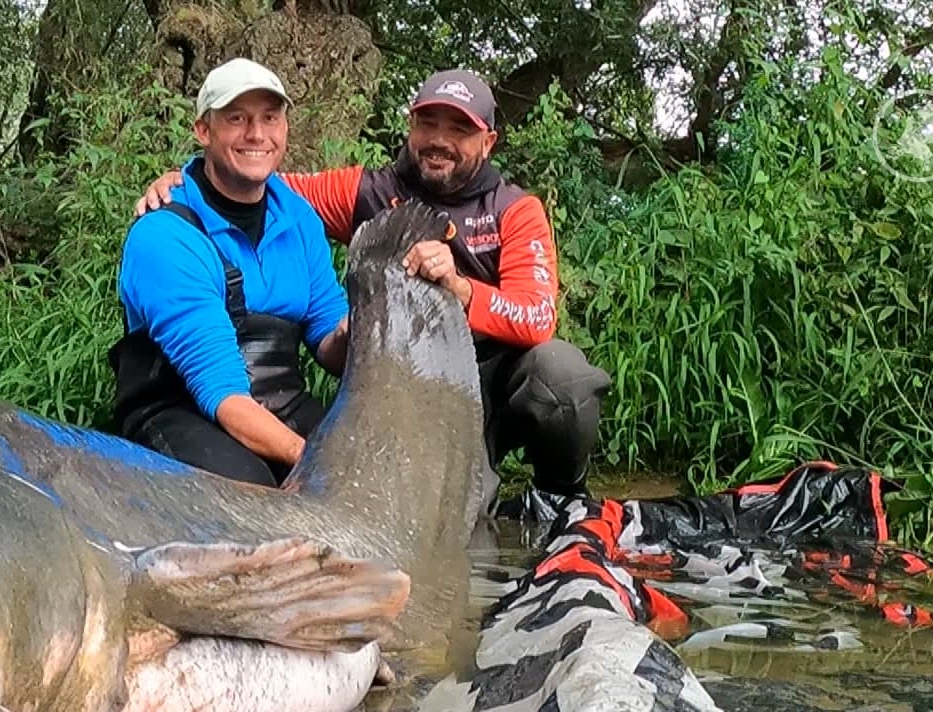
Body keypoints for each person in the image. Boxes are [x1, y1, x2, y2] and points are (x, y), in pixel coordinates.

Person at [134, 68, 610, 501]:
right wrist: (183, 177)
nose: (440, 139)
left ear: (488, 142)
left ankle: (560, 499)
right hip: (408, 390)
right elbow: (252, 175)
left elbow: (537, 317)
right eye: (429, 124)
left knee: (563, 375)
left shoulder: (514, 209)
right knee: (409, 503)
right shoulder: (365, 192)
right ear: (410, 126)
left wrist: (462, 291)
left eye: (460, 128)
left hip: (494, 379)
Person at [109, 58, 351, 487]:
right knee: (253, 491)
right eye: (236, 119)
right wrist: (316, 463)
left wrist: (351, 331)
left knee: (375, 478)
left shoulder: (300, 219)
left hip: (282, 402)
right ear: (204, 130)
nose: (256, 134)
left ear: (284, 128)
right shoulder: (164, 235)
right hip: (184, 408)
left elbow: (329, 342)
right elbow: (223, 395)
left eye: (269, 118)